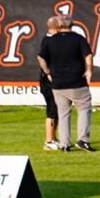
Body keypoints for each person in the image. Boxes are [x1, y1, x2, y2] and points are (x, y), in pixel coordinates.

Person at [37, 15, 95, 152]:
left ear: (58, 25)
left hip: (58, 83)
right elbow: (88, 54)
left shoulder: (51, 40)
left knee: (63, 113)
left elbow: (40, 57)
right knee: (84, 109)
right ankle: (83, 140)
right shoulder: (78, 38)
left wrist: (48, 73)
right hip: (77, 81)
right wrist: (89, 70)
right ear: (72, 25)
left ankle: (64, 144)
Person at [39, 15, 63, 150]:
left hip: (54, 78)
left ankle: (54, 138)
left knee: (57, 109)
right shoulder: (48, 41)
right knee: (52, 110)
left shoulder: (52, 40)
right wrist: (48, 73)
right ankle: (48, 141)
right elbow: (41, 58)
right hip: (48, 80)